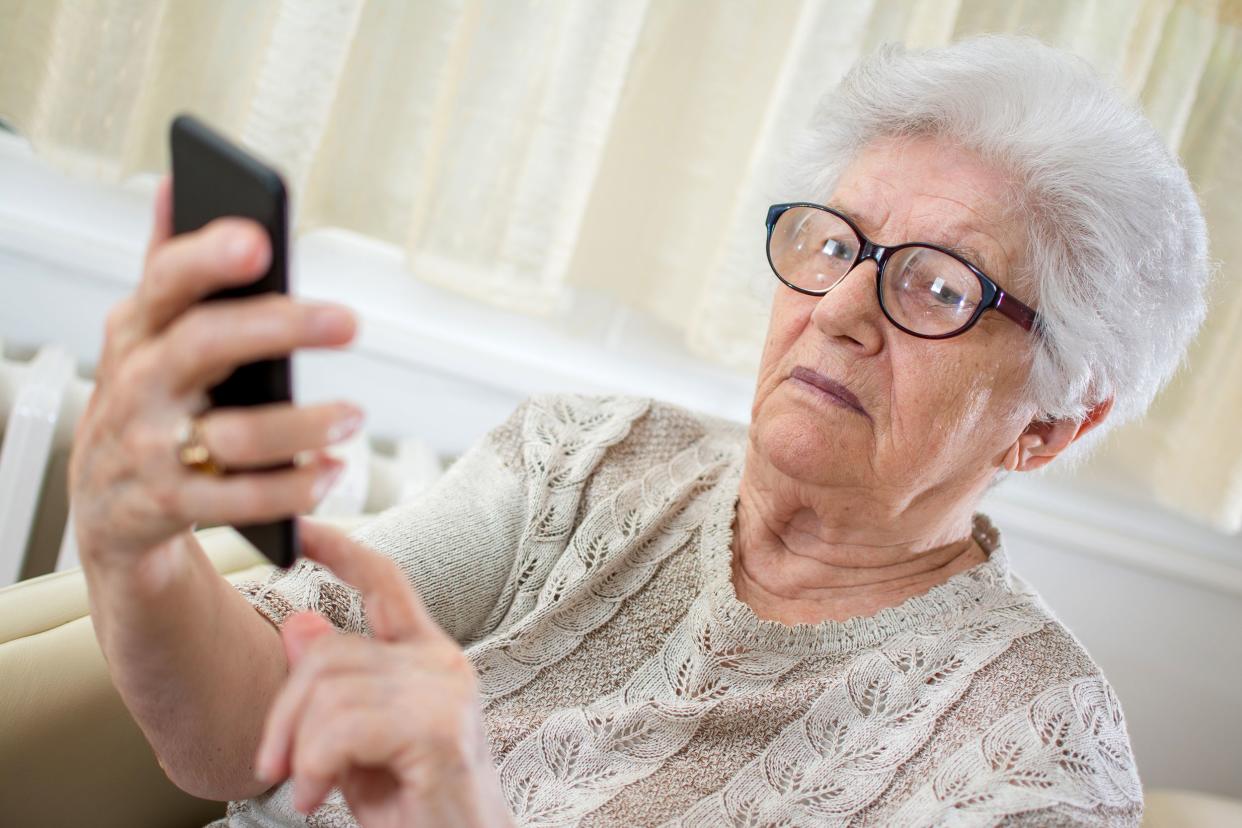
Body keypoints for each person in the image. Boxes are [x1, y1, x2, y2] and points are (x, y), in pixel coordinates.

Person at [69, 34, 1210, 827]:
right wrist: (136, 549)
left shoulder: (1028, 759)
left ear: (1052, 427)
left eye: (940, 288)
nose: (843, 310)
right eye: (832, 244)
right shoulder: (588, 458)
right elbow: (230, 735)